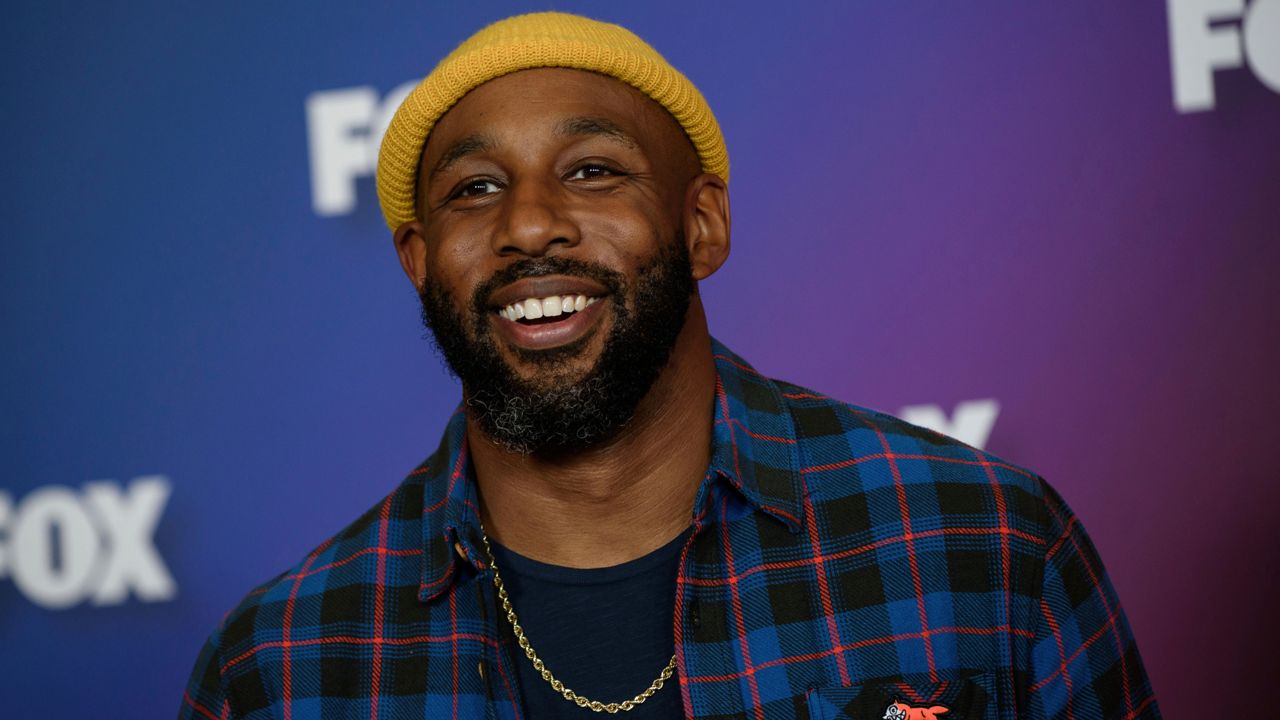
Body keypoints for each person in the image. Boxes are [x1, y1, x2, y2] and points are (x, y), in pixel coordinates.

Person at [181, 12, 1160, 720]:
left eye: (591, 170)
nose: (528, 225)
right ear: (418, 259)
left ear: (701, 225)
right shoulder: (283, 667)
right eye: (475, 189)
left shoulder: (980, 543)